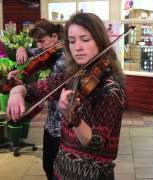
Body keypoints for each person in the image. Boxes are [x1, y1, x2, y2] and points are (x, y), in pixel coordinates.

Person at [6, 12, 126, 180]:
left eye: (85, 39)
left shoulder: (110, 87)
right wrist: (17, 92)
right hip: (61, 171)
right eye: (71, 41)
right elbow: (37, 88)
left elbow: (95, 144)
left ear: (100, 41)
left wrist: (71, 115)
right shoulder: (74, 74)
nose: (77, 47)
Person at [8, 19, 64, 180]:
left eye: (41, 41)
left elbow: (51, 86)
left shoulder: (65, 57)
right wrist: (21, 49)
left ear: (54, 36)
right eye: (36, 42)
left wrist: (23, 88)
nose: (39, 46)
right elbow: (32, 54)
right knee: (48, 166)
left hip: (65, 126)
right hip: (51, 123)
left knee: (57, 171)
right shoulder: (48, 51)